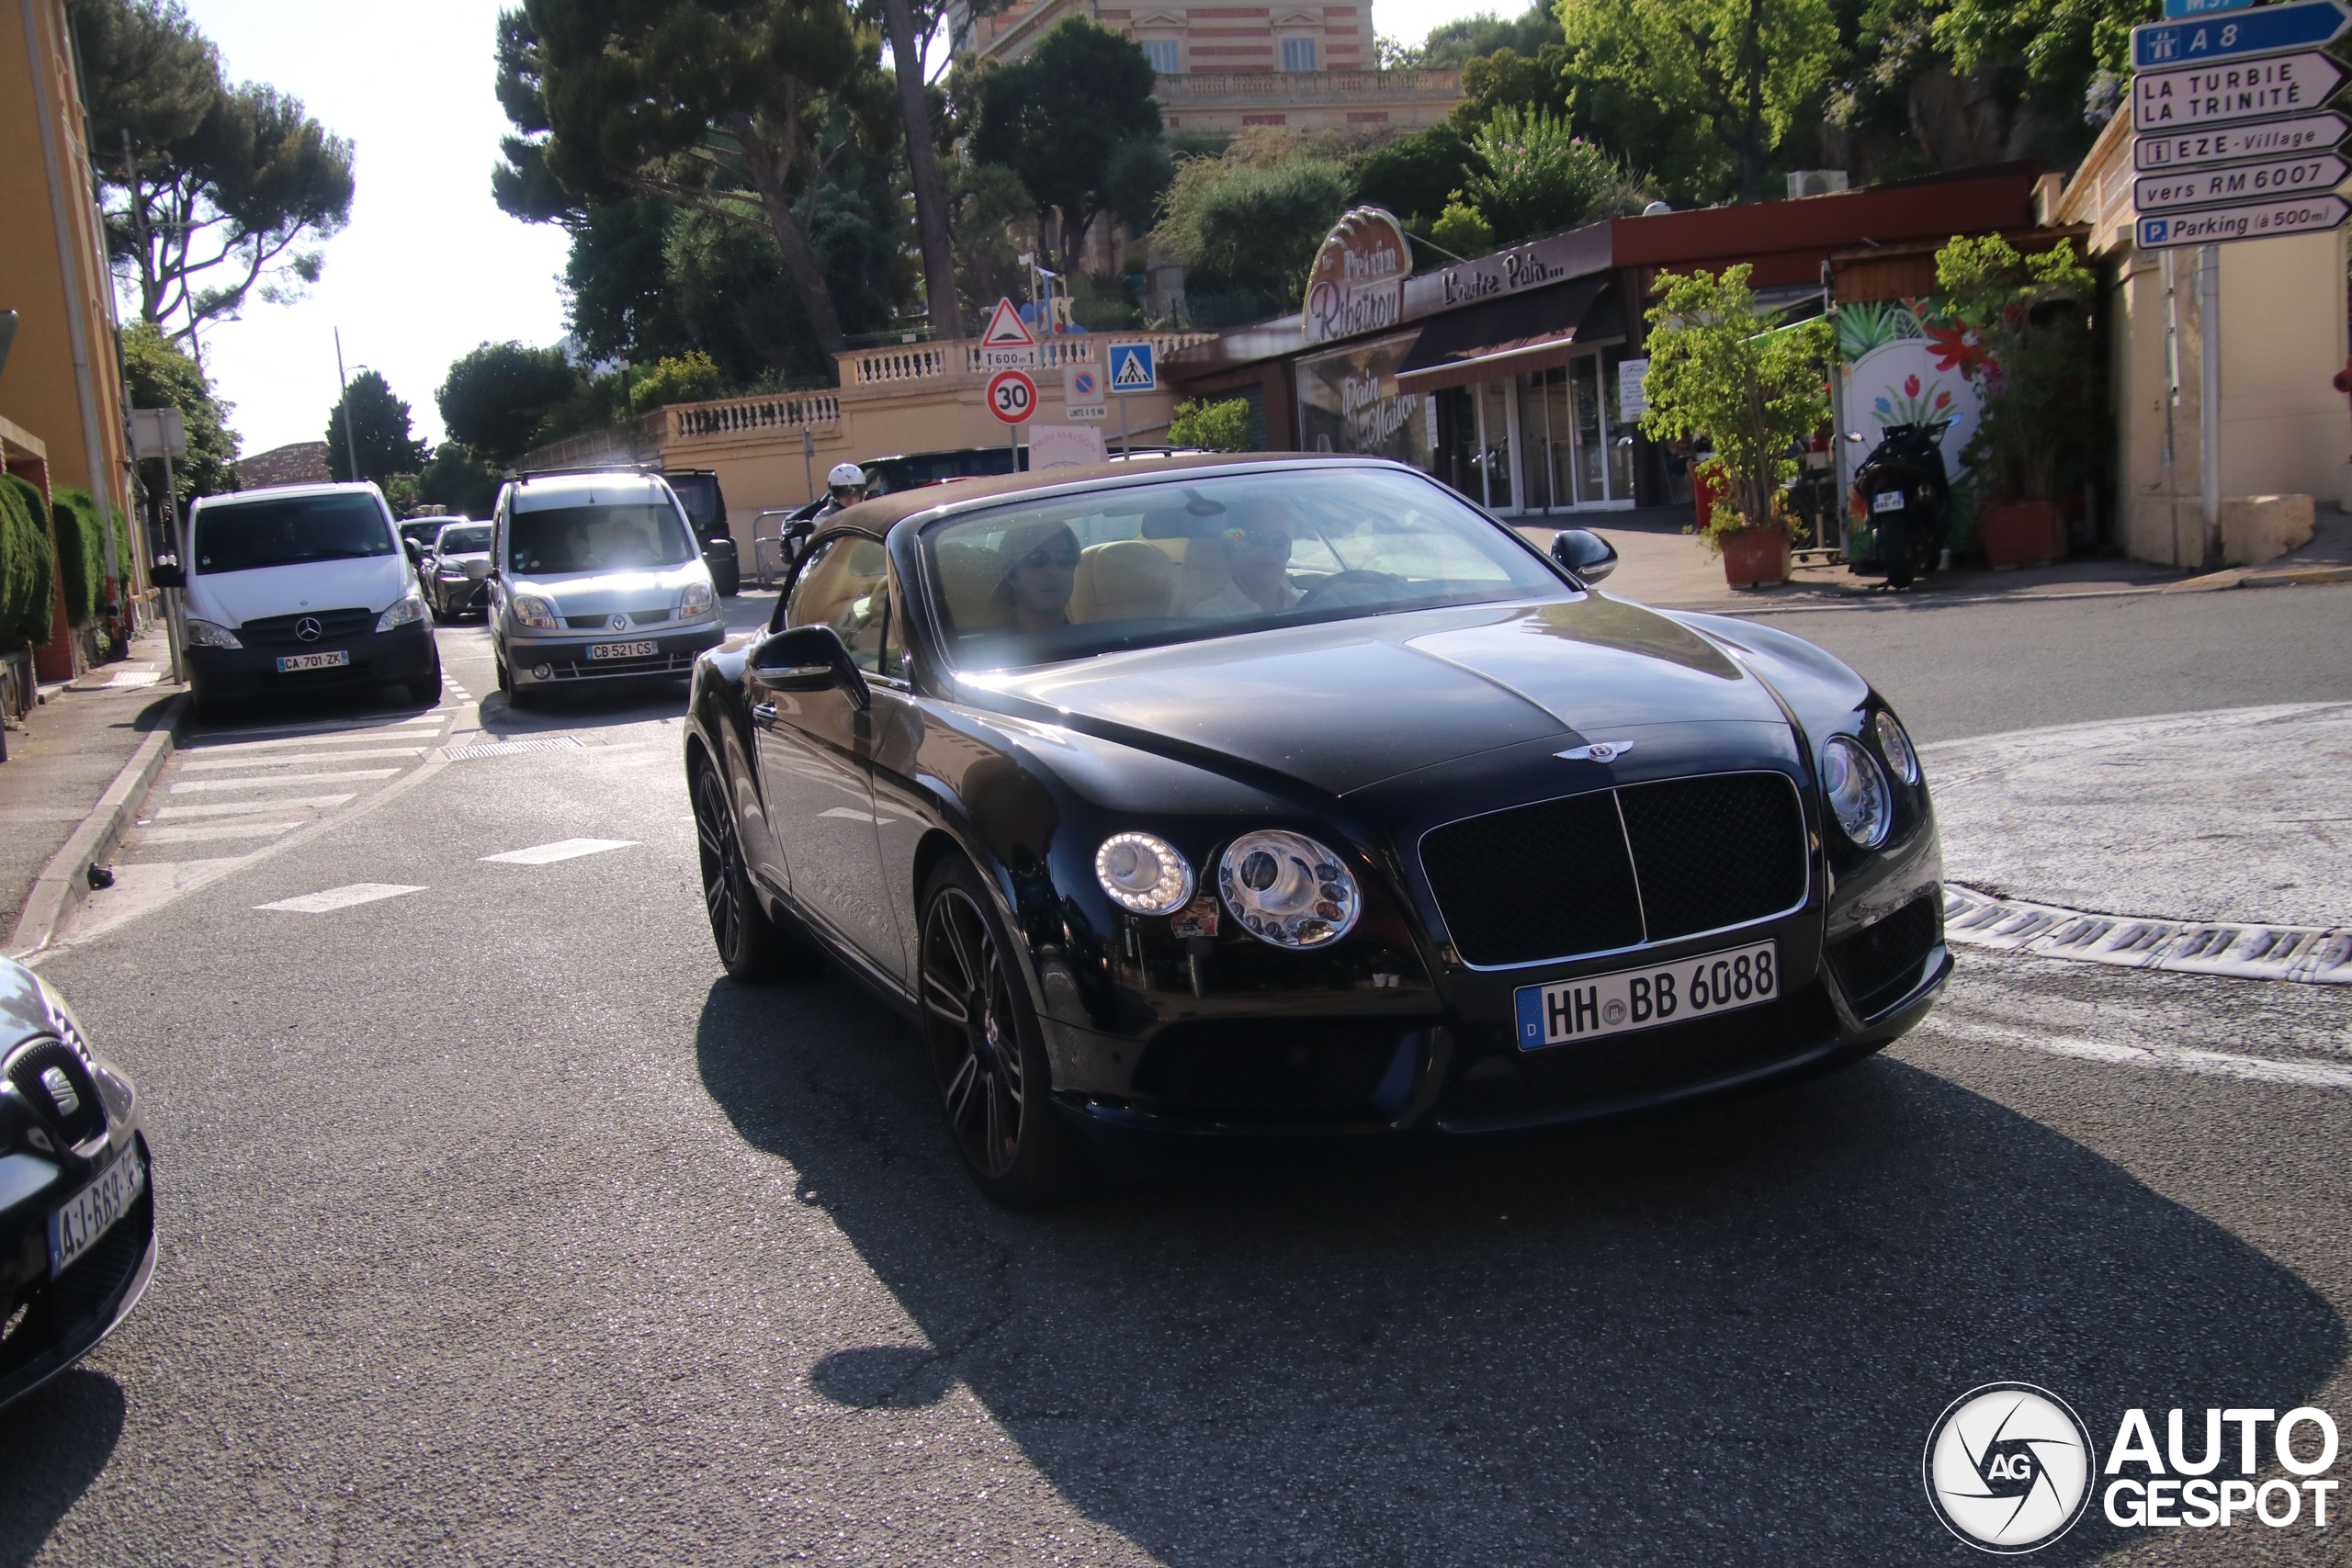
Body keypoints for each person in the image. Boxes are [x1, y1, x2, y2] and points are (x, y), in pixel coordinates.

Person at [1190, 496, 1300, 617]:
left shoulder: (1305, 604)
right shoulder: (1210, 616)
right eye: (1254, 539)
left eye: (1279, 538)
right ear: (1231, 551)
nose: (1269, 548)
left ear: (1289, 550)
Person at [993, 521, 1080, 634]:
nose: (1053, 571)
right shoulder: (984, 649)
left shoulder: (1099, 642)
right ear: (1011, 574)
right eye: (1038, 559)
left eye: (1065, 558)